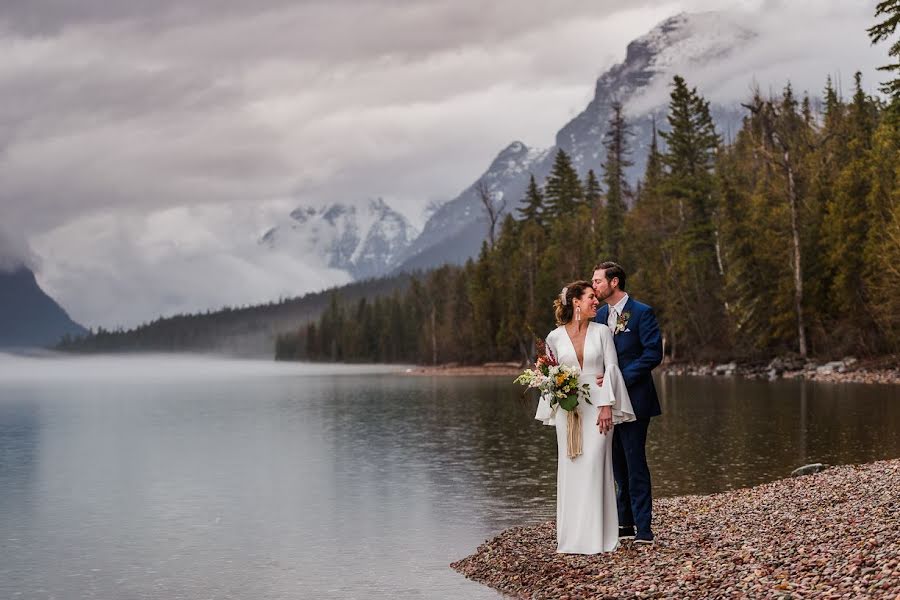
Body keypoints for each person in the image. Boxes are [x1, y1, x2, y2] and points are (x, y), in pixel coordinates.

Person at [534, 280, 635, 554]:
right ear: (576, 302)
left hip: (599, 409)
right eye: (590, 297)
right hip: (569, 411)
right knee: (572, 468)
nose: (596, 302)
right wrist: (556, 388)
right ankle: (572, 539)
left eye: (595, 297)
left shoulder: (602, 332)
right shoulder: (554, 337)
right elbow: (548, 376)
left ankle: (599, 538)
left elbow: (611, 368)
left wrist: (606, 406)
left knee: (594, 466)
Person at [592, 262, 663, 546]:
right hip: (605, 403)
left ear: (615, 282)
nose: (594, 286)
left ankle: (644, 529)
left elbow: (652, 354)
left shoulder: (642, 313)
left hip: (635, 398)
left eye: (597, 281)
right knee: (617, 465)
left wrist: (619, 377)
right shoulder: (597, 316)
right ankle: (624, 523)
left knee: (635, 463)